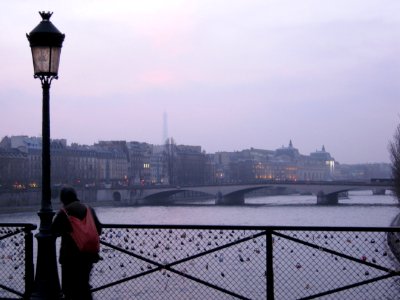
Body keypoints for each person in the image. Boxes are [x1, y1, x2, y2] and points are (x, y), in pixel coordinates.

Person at [51, 187, 102, 300]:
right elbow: (99, 229)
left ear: (63, 199)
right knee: (84, 285)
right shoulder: (89, 209)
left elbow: (53, 231)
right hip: (88, 255)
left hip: (70, 257)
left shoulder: (65, 212)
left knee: (69, 289)